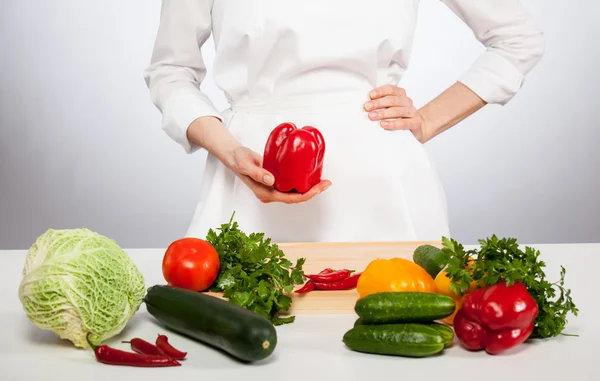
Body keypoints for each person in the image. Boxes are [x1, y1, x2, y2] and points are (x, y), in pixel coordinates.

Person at [143, 0, 545, 243]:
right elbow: (170, 70)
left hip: (380, 179)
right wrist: (228, 149)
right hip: (248, 173)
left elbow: (517, 39)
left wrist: (428, 120)